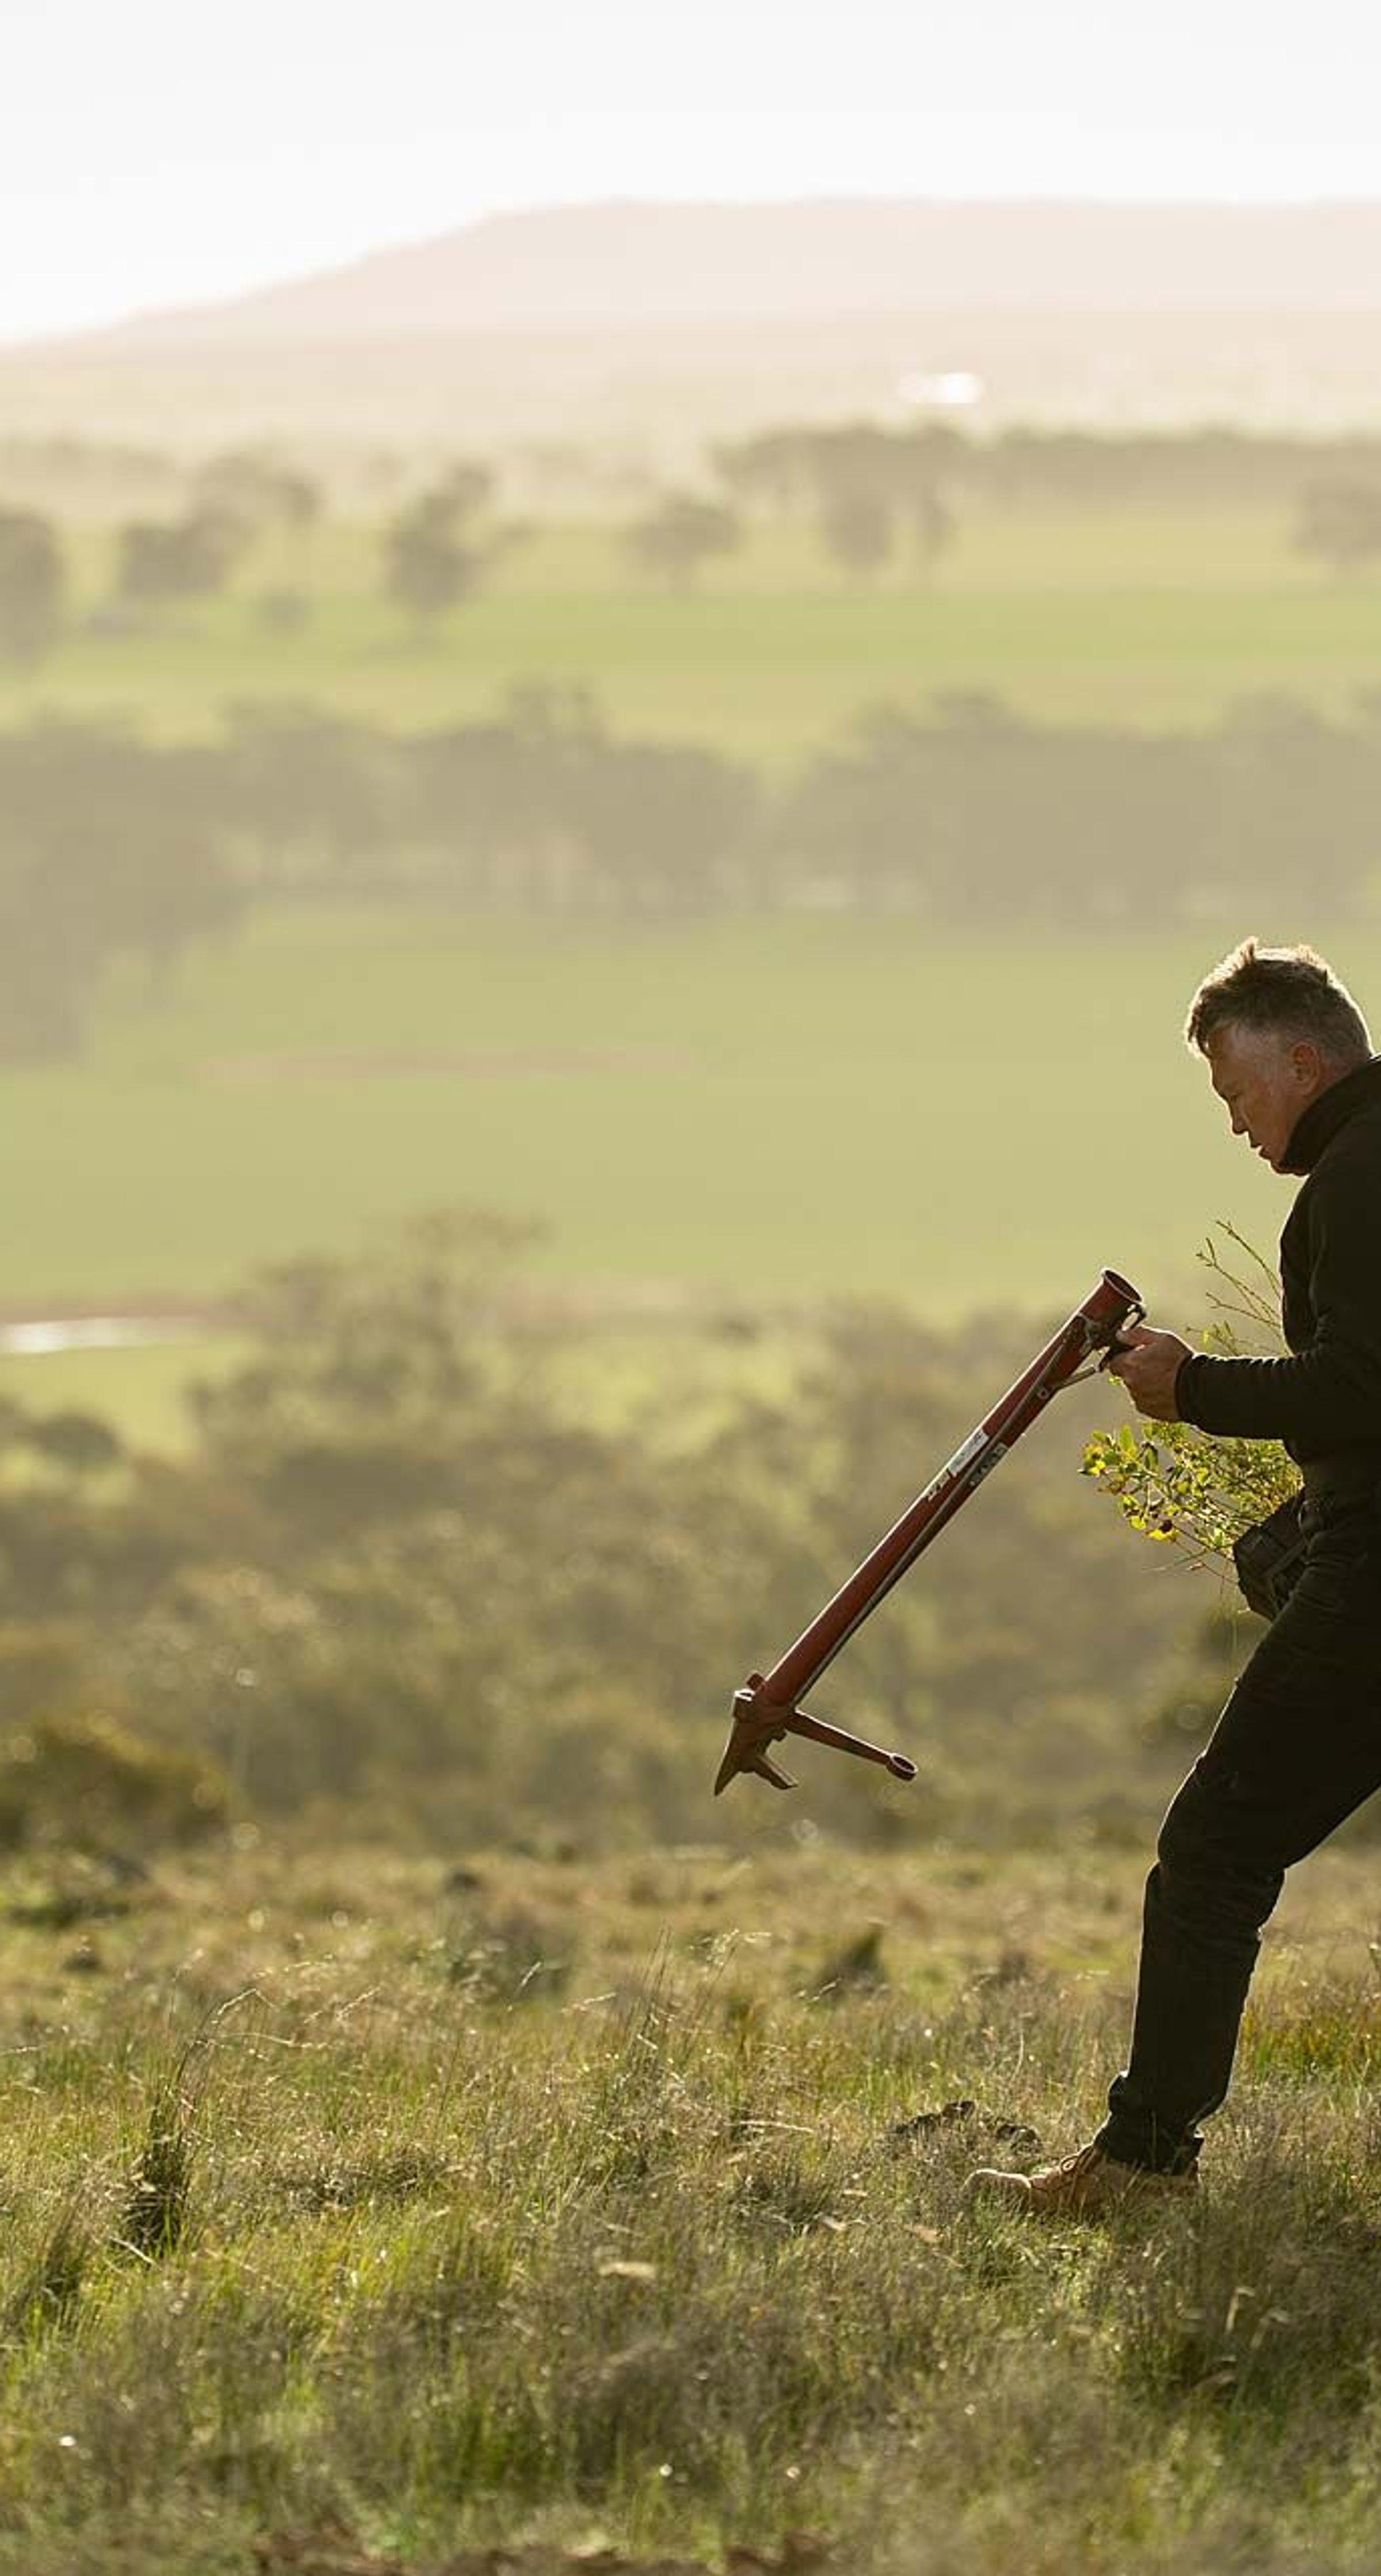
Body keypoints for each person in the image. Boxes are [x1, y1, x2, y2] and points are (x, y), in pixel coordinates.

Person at [968, 938, 1381, 2216]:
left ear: (1303, 1059)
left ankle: (1143, 2166)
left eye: (1240, 1095)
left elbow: (1364, 1383)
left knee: (1211, 1848)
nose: (1240, 1129)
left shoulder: (1359, 1178)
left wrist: (1189, 1387)